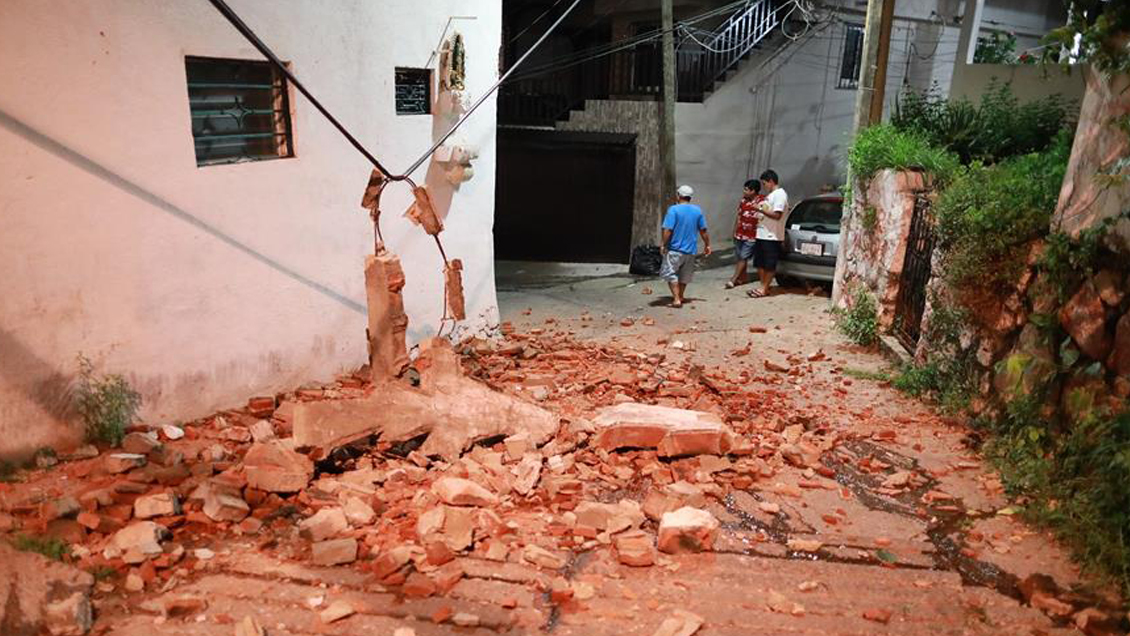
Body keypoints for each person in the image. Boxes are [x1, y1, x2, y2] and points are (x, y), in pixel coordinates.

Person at [659, 184, 711, 308]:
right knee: (684, 276)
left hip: (675, 249)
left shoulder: (673, 210)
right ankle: (681, 296)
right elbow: (703, 230)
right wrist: (707, 245)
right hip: (691, 250)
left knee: (670, 273)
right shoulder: (697, 210)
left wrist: (663, 244)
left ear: (678, 195)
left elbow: (668, 230)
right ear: (690, 197)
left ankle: (676, 299)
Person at [747, 169, 788, 298]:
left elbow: (777, 214)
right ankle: (763, 286)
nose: (764, 187)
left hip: (772, 235)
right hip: (762, 233)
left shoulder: (780, 195)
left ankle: (764, 288)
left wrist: (759, 209)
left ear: (771, 181)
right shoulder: (770, 196)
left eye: (764, 184)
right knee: (760, 262)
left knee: (769, 263)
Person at [726, 179, 765, 289]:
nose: (744, 191)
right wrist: (734, 231)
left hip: (752, 235)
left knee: (744, 256)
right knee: (740, 257)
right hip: (740, 233)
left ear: (753, 191)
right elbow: (739, 216)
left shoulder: (762, 202)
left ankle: (733, 279)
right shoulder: (743, 201)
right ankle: (743, 278)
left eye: (746, 190)